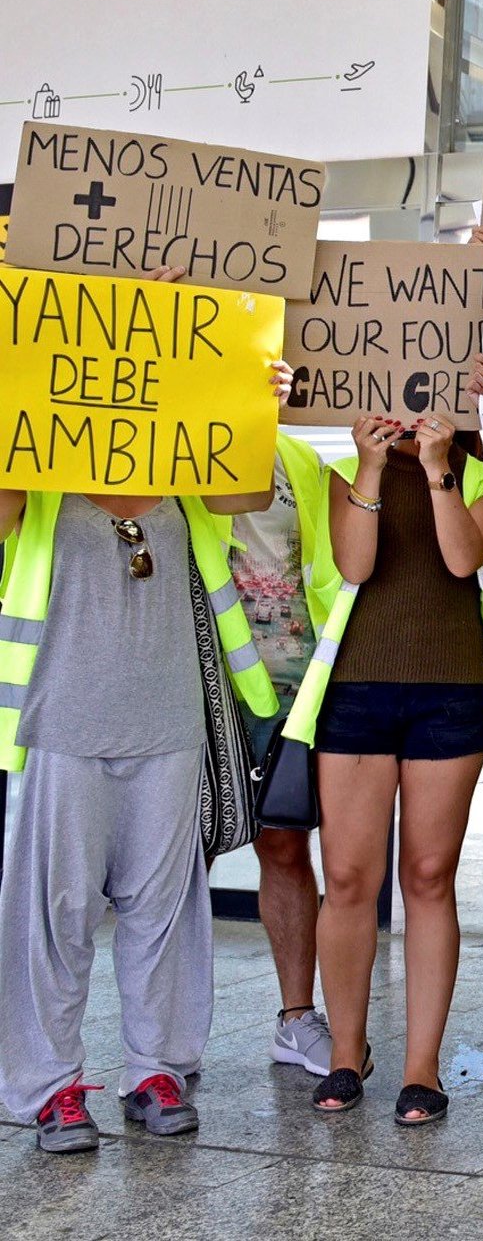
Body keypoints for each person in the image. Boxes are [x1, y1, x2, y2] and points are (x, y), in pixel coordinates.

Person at [0, 356, 286, 1153]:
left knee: (163, 911)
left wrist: (249, 398)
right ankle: (52, 1085)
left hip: (169, 722)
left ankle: (155, 1068)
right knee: (55, 915)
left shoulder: (186, 466)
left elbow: (250, 491)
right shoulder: (40, 457)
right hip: (60, 725)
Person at [283, 412, 483, 1126]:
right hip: (355, 687)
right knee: (348, 876)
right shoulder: (342, 466)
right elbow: (354, 565)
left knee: (428, 875)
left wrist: (440, 465)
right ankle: (347, 1053)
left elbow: (460, 558)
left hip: (452, 690)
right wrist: (374, 466)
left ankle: (422, 1065)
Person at [218, 428, 344, 1078]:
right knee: (164, 860)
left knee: (285, 847)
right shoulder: (175, 449)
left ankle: (296, 1018)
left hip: (296, 687)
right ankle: (153, 1038)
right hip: (203, 682)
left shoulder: (301, 459)